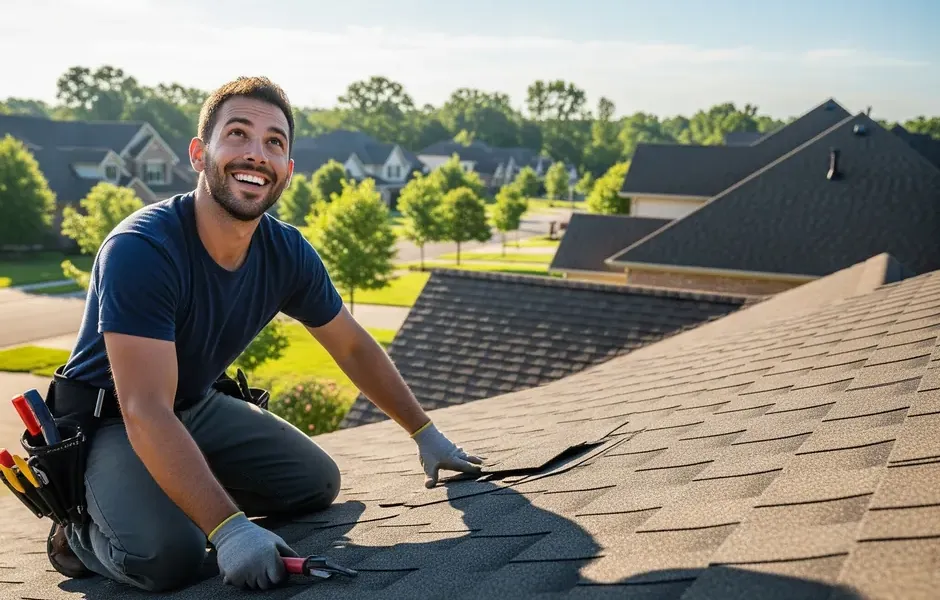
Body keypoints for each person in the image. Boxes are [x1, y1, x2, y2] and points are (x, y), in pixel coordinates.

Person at [45, 76, 484, 593]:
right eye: (237, 134)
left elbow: (351, 345)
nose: (256, 154)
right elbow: (143, 409)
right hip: (109, 420)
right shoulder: (142, 249)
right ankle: (76, 531)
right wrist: (230, 531)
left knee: (315, 484)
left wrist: (425, 434)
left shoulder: (286, 252)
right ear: (198, 153)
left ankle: (176, 492)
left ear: (288, 170)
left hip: (191, 405)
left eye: (274, 143)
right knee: (169, 557)